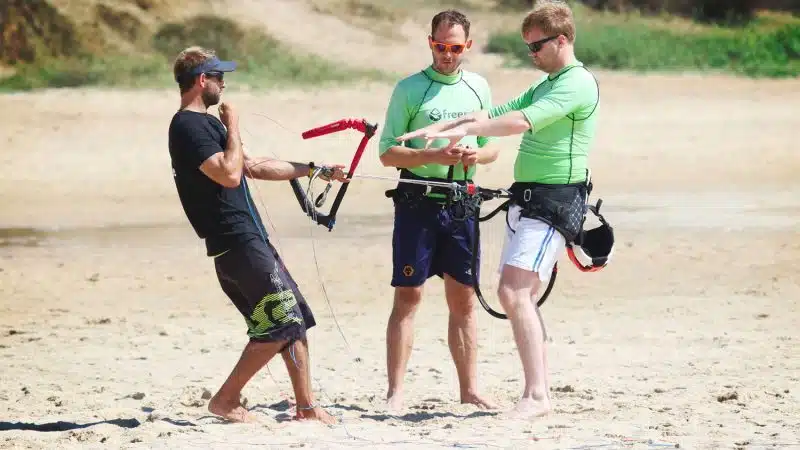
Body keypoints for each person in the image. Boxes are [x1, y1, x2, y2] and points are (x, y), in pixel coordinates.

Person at [396, 0, 600, 420]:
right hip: (528, 198)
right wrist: (442, 127)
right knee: (522, 293)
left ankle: (538, 396)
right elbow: (496, 112)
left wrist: (470, 130)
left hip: (556, 200)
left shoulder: (575, 83)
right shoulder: (548, 81)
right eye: (527, 47)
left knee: (513, 291)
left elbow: (519, 122)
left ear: (561, 40)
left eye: (536, 46)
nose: (532, 55)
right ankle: (537, 389)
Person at [167, 46, 349, 424]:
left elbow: (251, 166)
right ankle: (226, 399)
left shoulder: (208, 125)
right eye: (219, 77)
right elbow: (229, 174)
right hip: (235, 242)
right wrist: (232, 124)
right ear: (202, 81)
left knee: (294, 315)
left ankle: (306, 407)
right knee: (280, 323)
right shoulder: (187, 126)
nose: (223, 84)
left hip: (250, 239)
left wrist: (313, 169)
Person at [377, 9, 499, 412]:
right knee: (408, 297)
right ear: (430, 42)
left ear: (468, 46)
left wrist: (474, 155)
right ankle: (395, 392)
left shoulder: (479, 87)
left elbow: (494, 146)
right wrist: (434, 152)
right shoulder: (409, 89)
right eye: (440, 46)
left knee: (463, 300)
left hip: (462, 203)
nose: (447, 55)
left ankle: (469, 388)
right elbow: (388, 154)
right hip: (417, 203)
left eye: (455, 48)